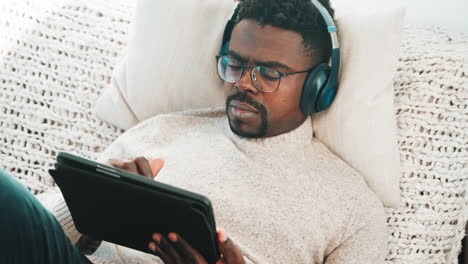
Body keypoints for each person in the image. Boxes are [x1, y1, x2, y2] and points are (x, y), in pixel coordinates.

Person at [0, 0, 387, 263]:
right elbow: (26, 228)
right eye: (234, 64)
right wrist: (88, 212)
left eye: (269, 73)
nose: (244, 83)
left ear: (320, 84)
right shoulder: (164, 130)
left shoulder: (353, 207)